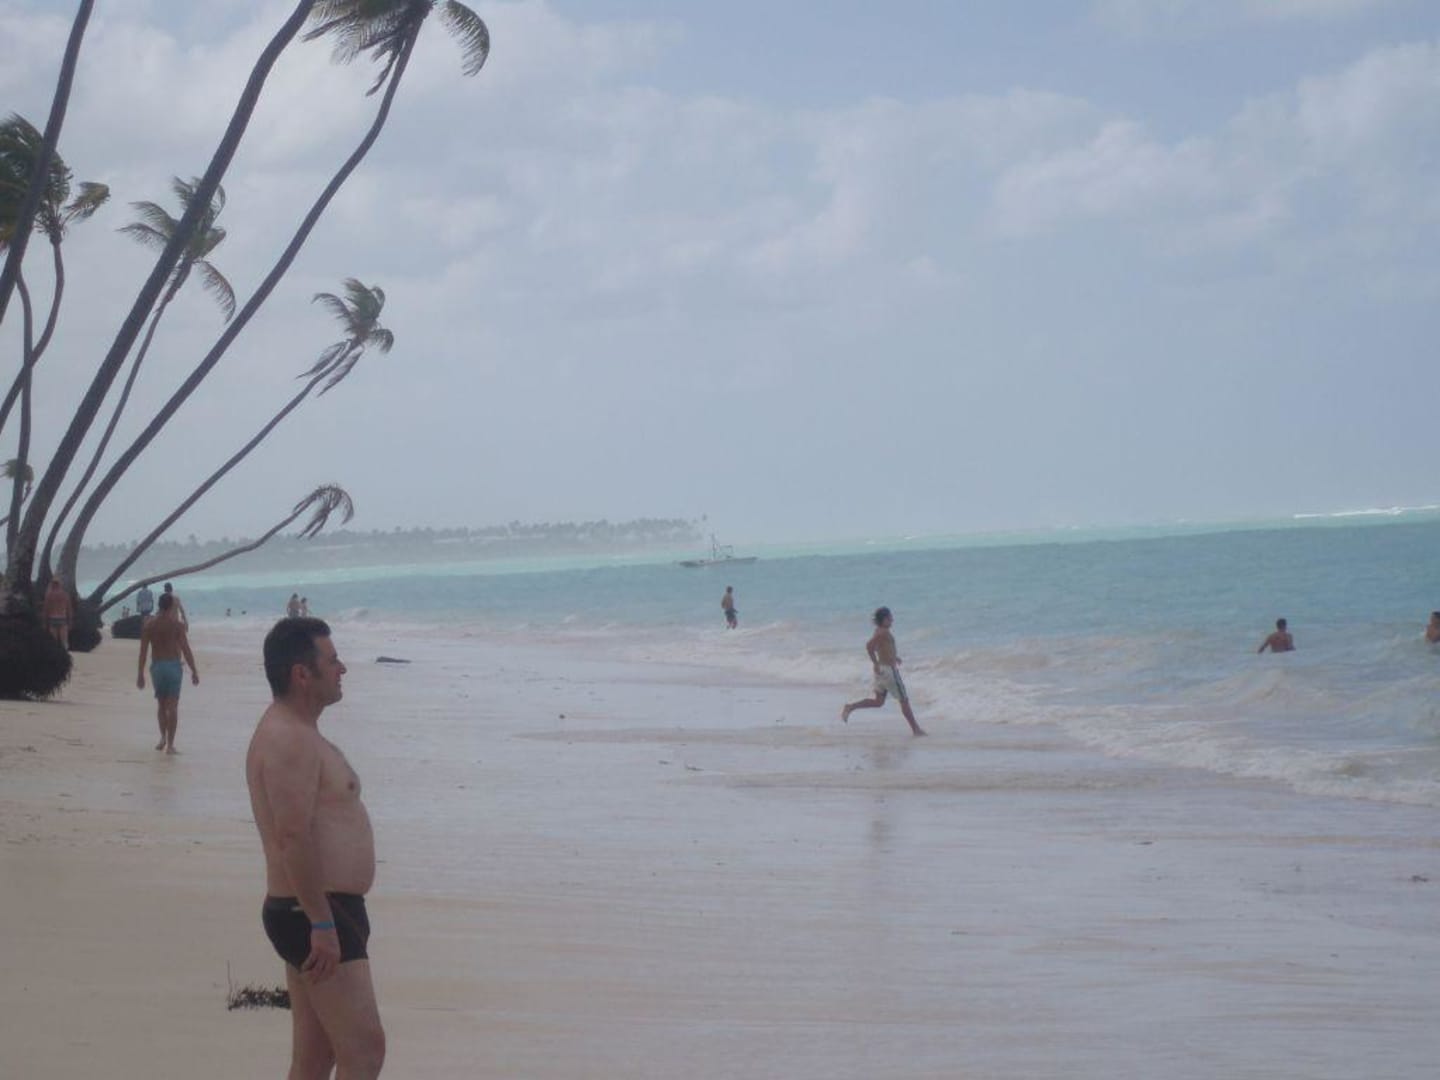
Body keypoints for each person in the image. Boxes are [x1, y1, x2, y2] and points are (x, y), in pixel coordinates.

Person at [246, 618, 385, 1078]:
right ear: (302, 674)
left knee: (314, 1058)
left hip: (314, 909)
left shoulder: (298, 732)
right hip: (313, 911)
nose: (342, 669)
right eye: (333, 660)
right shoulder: (288, 738)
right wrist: (321, 922)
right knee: (365, 1051)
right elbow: (293, 835)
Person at [841, 606, 926, 736]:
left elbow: (879, 648)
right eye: (890, 617)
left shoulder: (879, 631)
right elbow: (869, 646)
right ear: (884, 619)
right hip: (888, 672)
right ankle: (916, 730)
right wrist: (875, 662)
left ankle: (850, 707)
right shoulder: (883, 633)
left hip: (882, 671)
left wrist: (893, 657)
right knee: (904, 700)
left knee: (878, 702)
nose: (892, 620)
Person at [137, 593, 199, 754]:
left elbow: (143, 652)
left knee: (161, 705)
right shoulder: (177, 625)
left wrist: (140, 674)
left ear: (158, 605)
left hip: (157, 667)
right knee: (172, 707)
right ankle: (170, 745)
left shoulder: (149, 625)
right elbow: (186, 649)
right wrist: (194, 670)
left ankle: (162, 738)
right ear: (171, 606)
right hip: (173, 666)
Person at [42, 577, 72, 648]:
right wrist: (70, 621)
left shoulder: (49, 595)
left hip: (52, 619)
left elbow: (46, 610)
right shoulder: (65, 595)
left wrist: (44, 623)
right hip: (62, 618)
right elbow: (69, 609)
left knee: (54, 642)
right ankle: (64, 652)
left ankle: (55, 653)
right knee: (64, 642)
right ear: (60, 585)